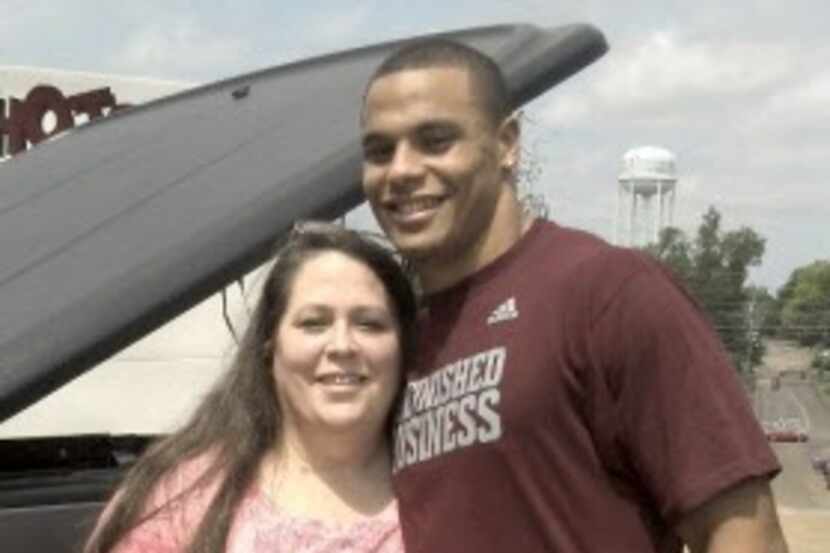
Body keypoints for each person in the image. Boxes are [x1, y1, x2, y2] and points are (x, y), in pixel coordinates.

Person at [360, 39, 788, 552]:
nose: (401, 170)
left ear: (507, 143)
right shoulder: (397, 348)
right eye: (379, 151)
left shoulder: (609, 294)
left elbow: (743, 532)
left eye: (435, 140)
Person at [84, 223, 417, 553]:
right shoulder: (181, 499)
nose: (342, 345)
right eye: (314, 323)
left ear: (403, 346)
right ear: (270, 346)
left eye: (369, 324)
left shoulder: (449, 491)